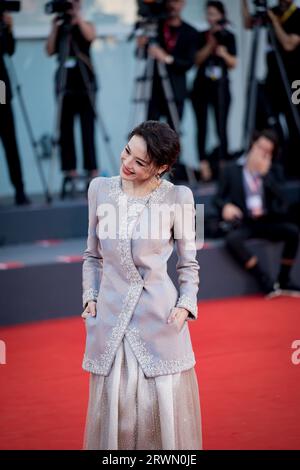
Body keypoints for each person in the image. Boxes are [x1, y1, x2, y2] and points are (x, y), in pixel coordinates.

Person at [81, 121, 202, 450]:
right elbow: (92, 255)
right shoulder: (98, 189)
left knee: (158, 418)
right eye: (126, 152)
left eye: (139, 162)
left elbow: (189, 262)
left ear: (161, 167)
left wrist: (185, 305)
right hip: (109, 321)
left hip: (159, 320)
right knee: (115, 420)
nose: (126, 164)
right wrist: (89, 296)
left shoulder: (181, 196)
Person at [215, 129, 300, 295]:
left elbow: (282, 201)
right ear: (253, 145)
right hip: (245, 221)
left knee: (293, 232)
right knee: (232, 240)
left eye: (268, 152)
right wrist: (226, 207)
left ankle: (284, 278)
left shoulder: (273, 171)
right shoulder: (232, 169)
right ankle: (263, 280)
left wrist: (265, 176)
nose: (263, 153)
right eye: (261, 148)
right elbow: (218, 199)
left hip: (267, 219)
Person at [242, 0, 300, 179]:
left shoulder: (297, 15)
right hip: (273, 80)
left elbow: (289, 44)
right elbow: (248, 24)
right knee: (271, 122)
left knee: (294, 121)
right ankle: (275, 164)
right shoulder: (271, 11)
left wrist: (274, 20)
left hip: (295, 81)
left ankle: (296, 167)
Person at [45, 0, 99, 190]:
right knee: (65, 129)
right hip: (64, 84)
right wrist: (54, 28)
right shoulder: (60, 27)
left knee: (88, 128)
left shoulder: (85, 24)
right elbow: (49, 50)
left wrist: (78, 17)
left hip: (85, 84)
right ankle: (70, 170)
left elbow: (90, 37)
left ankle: (92, 169)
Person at [191, 1, 237, 182]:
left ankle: (223, 165)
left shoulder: (229, 35)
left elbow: (233, 63)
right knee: (201, 127)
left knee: (221, 127)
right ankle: (204, 167)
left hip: (221, 88)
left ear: (222, 15)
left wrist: (223, 53)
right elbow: (196, 60)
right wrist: (210, 45)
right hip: (201, 88)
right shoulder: (201, 35)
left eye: (215, 14)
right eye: (209, 14)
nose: (212, 18)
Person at [136, 0, 198, 130]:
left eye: (176, 2)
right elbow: (139, 55)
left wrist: (167, 58)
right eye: (170, 1)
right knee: (150, 134)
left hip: (176, 92)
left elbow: (188, 63)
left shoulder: (190, 32)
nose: (172, 6)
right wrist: (141, 45)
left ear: (183, 4)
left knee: (173, 135)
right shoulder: (156, 28)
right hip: (154, 91)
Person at [0, 13, 31, 205]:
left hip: (0, 87)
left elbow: (8, 50)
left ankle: (19, 189)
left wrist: (8, 29)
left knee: (9, 139)